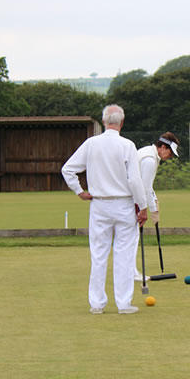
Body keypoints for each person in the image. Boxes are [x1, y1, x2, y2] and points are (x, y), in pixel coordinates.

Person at [61, 104, 148, 315]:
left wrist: (79, 191)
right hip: (124, 204)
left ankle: (97, 304)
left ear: (103, 121)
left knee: (99, 254)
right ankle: (124, 304)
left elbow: (68, 169)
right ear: (122, 122)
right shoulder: (128, 145)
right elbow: (135, 181)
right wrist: (143, 207)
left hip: (99, 205)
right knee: (124, 254)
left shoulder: (91, 143)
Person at [133, 132, 180, 281]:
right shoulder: (149, 160)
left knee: (132, 237)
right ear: (163, 147)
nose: (170, 157)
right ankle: (131, 272)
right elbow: (144, 188)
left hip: (134, 198)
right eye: (170, 153)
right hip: (132, 200)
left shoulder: (150, 154)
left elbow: (148, 188)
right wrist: (149, 209)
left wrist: (154, 205)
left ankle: (130, 271)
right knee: (132, 237)